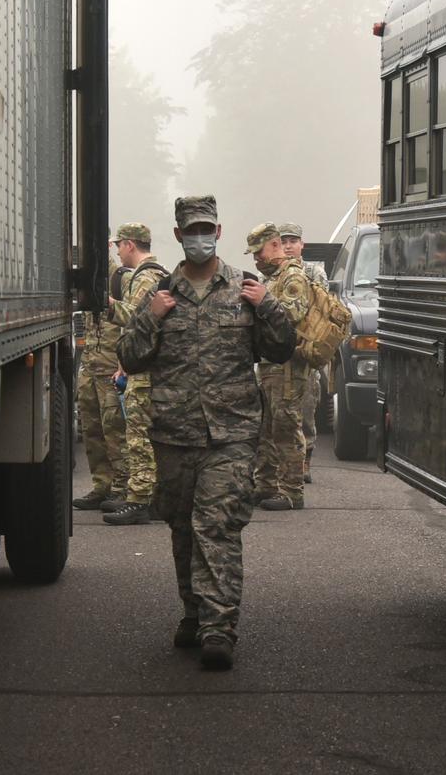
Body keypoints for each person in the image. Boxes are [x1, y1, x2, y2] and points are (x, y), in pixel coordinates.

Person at [117, 196, 296, 670]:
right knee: (181, 527)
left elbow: (280, 350)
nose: (199, 237)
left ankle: (220, 628)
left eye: (207, 229)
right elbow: (131, 357)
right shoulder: (161, 293)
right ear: (178, 235)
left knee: (215, 526)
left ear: (218, 233)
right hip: (174, 435)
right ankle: (193, 613)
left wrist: (270, 307)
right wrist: (150, 317)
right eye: (191, 229)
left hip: (231, 434)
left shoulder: (246, 288)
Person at [102, 222, 169, 525]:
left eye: (119, 245)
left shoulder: (147, 277)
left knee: (139, 435)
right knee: (140, 434)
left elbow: (140, 317)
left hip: (146, 366)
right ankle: (147, 497)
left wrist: (109, 306)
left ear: (130, 245)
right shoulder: (146, 275)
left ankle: (140, 500)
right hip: (140, 362)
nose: (117, 251)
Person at [251, 223, 313, 510]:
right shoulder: (273, 277)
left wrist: (264, 302)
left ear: (274, 245)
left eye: (259, 252)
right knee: (266, 428)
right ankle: (265, 485)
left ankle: (291, 491)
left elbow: (294, 312)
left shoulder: (293, 276)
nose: (256, 259)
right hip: (269, 366)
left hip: (288, 367)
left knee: (286, 426)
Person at [73, 242, 129, 510]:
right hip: (91, 366)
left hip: (111, 368)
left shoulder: (121, 279)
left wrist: (124, 365)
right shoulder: (87, 280)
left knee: (115, 432)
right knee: (92, 430)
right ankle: (102, 485)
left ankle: (122, 487)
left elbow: (132, 323)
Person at [279, 222, 326, 484]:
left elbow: (320, 306)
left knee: (307, 407)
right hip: (280, 353)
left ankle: (305, 458)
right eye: (283, 241)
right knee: (280, 412)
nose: (288, 246)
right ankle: (284, 463)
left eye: (292, 241)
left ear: (301, 245)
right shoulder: (272, 275)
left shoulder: (314, 272)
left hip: (305, 350)